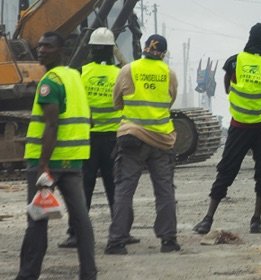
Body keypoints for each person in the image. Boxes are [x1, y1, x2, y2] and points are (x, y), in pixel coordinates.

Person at [17, 32, 96, 280]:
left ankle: (27, 275)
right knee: (81, 219)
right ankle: (89, 273)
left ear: (61, 50)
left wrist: (42, 165)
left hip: (48, 164)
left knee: (37, 220)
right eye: (40, 45)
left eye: (48, 46)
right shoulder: (74, 77)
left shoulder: (50, 82)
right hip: (73, 161)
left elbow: (52, 124)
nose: (41, 49)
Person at [194, 23, 261, 235]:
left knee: (226, 170)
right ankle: (256, 220)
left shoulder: (235, 61)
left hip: (239, 126)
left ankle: (208, 219)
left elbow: (226, 85)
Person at [60, 27, 134, 249]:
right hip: (113, 138)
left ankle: (75, 234)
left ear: (91, 49)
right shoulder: (121, 73)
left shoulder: (81, 72)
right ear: (112, 50)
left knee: (84, 187)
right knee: (116, 187)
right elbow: (128, 102)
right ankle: (122, 232)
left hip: (88, 138)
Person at [105, 34, 180, 255]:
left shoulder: (129, 70)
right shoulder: (169, 74)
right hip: (162, 138)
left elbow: (116, 101)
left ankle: (117, 241)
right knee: (165, 190)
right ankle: (168, 241)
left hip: (132, 137)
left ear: (144, 47)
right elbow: (170, 101)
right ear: (163, 54)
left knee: (124, 189)